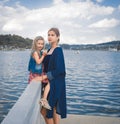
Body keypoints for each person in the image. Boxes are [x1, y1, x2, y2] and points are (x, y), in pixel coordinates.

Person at [32, 28, 67, 124]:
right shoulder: (48, 50)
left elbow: (61, 70)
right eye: (48, 35)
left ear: (58, 37)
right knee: (54, 109)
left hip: (55, 83)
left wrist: (43, 77)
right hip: (49, 82)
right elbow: (44, 65)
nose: (49, 37)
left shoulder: (58, 50)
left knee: (45, 111)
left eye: (52, 35)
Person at [28, 36, 51, 110]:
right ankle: (44, 99)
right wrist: (44, 55)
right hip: (35, 75)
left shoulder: (40, 52)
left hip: (39, 74)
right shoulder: (35, 52)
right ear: (35, 44)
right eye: (39, 43)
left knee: (49, 81)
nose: (40, 45)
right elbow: (38, 61)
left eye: (42, 44)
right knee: (49, 81)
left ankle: (43, 98)